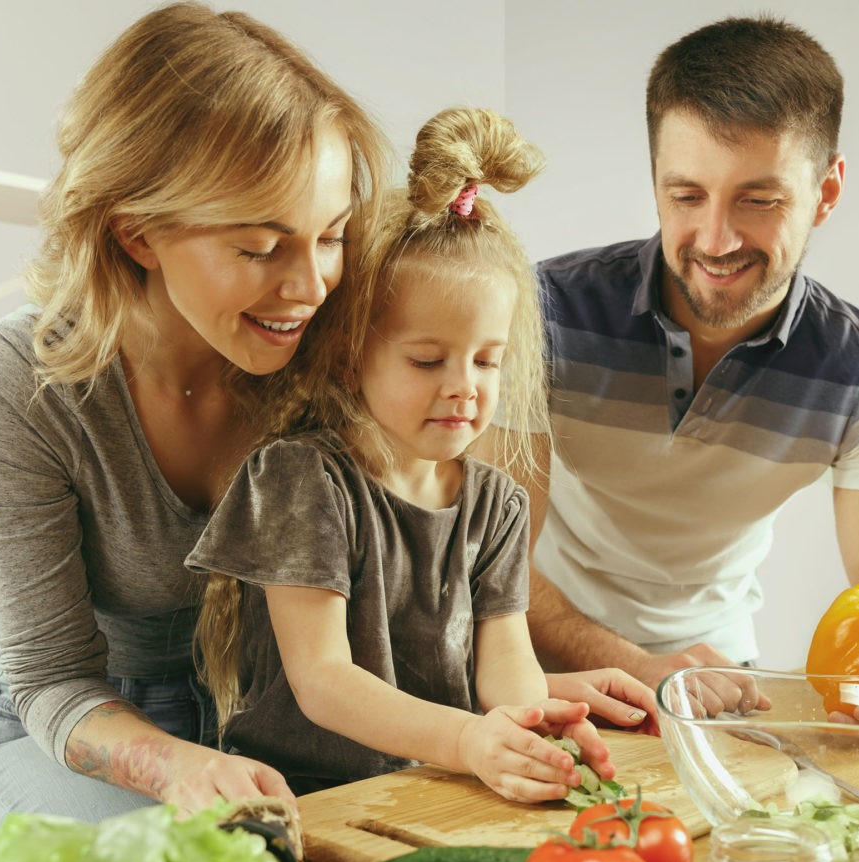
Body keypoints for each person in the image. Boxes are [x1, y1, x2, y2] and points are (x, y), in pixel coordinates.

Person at [0, 4, 647, 828]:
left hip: (265, 726)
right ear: (136, 234)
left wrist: (512, 703)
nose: (311, 285)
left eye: (332, 236)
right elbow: (50, 677)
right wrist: (181, 764)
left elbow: (388, 597)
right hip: (65, 731)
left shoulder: (332, 350)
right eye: (259, 247)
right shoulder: (16, 385)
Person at [493, 16, 859, 727]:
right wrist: (634, 665)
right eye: (687, 196)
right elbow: (491, 561)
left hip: (721, 683)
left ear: (826, 190)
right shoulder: (540, 315)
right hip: (546, 672)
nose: (716, 240)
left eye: (759, 200)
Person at [188, 108, 615, 801]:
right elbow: (323, 679)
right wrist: (470, 740)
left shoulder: (495, 501)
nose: (464, 388)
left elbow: (505, 653)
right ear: (351, 359)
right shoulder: (303, 481)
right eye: (427, 360)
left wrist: (523, 724)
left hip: (434, 782)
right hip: (304, 795)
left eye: (487, 361)